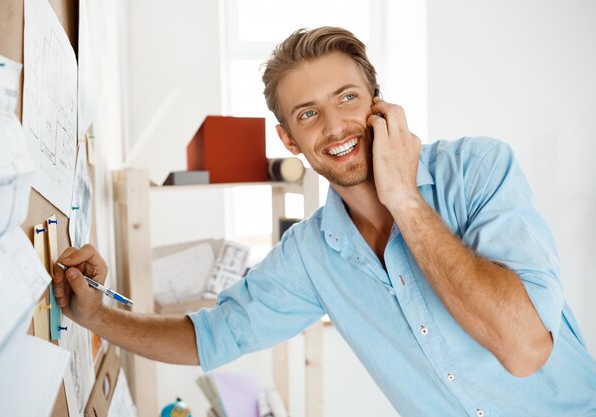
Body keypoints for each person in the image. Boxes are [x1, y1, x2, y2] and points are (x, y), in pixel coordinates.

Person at [53, 27, 596, 416]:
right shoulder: (311, 254)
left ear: (379, 106)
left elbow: (525, 349)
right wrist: (96, 314)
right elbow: (210, 337)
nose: (335, 126)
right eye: (308, 113)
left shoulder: (478, 170)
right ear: (289, 139)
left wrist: (403, 197)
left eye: (347, 98)